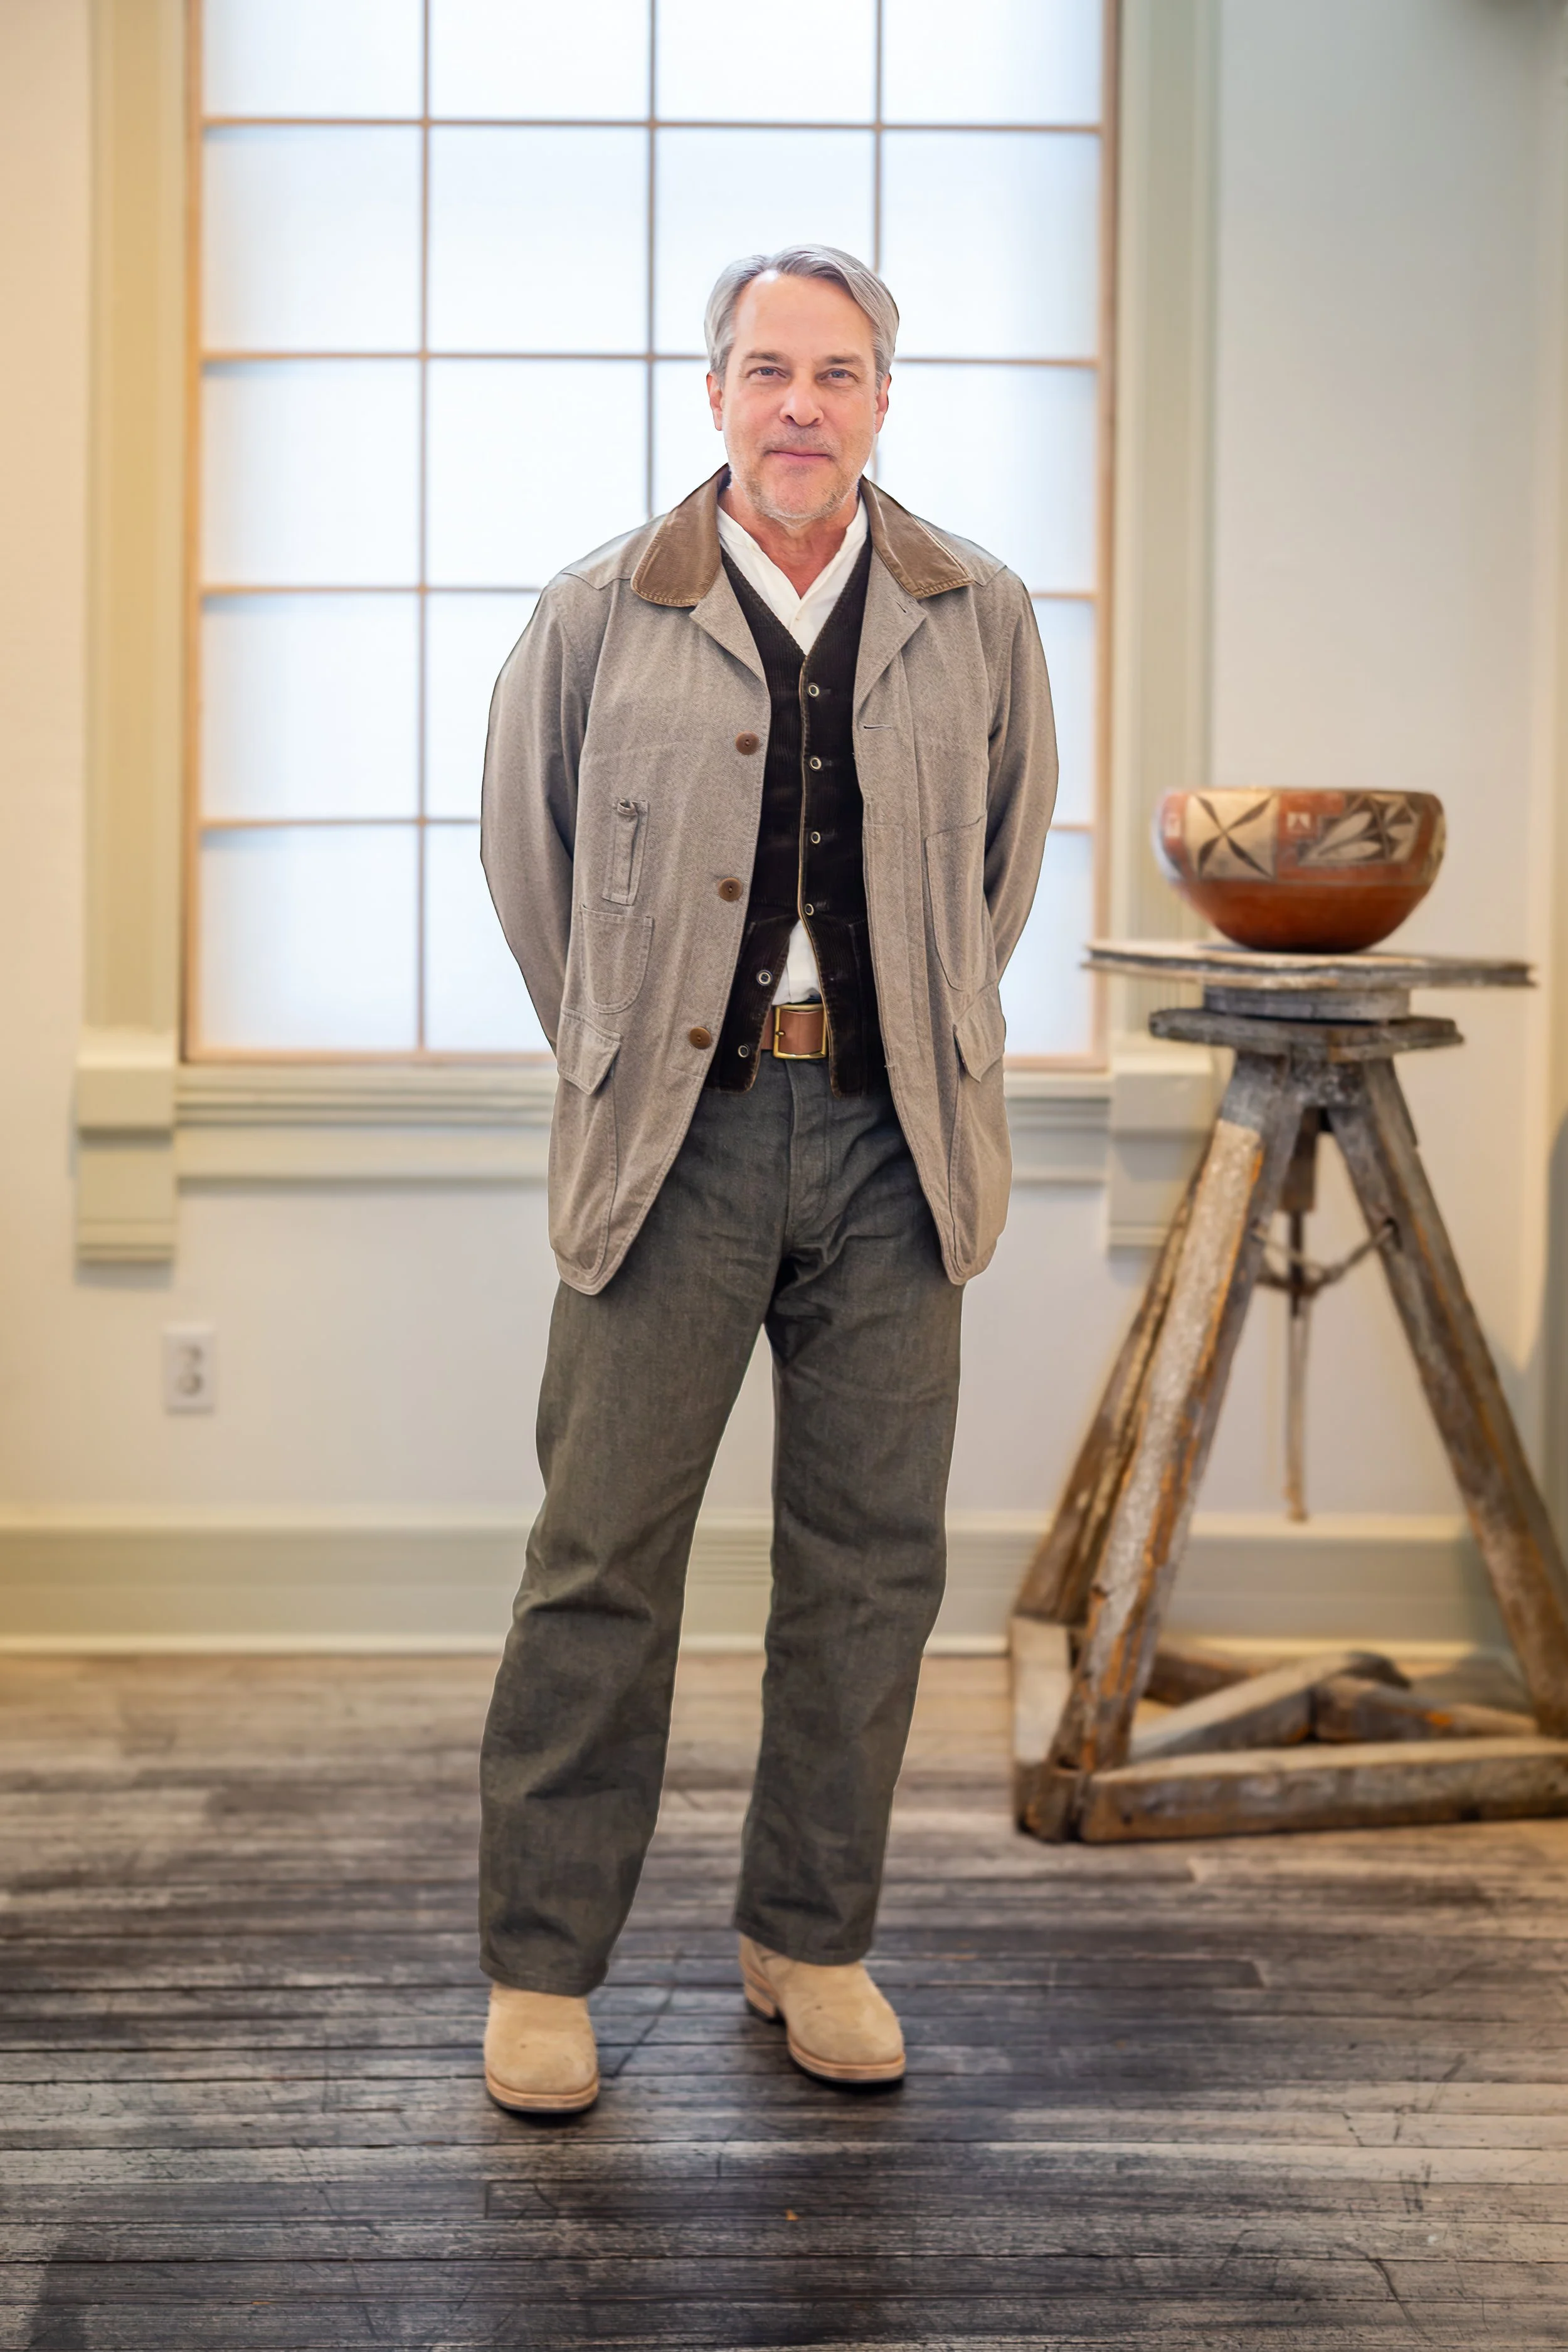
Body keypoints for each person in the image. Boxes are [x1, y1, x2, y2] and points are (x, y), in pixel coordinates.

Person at [477, 245, 1057, 2113]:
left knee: (868, 1562)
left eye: (835, 369)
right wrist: (640, 1049)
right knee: (598, 1555)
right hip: (676, 1146)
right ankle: (543, 1968)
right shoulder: (597, 611)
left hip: (897, 1142)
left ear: (884, 396)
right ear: (712, 393)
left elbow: (998, 865)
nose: (798, 401)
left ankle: (809, 1937)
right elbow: (532, 871)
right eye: (762, 368)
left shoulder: (976, 613)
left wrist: (905, 1039)